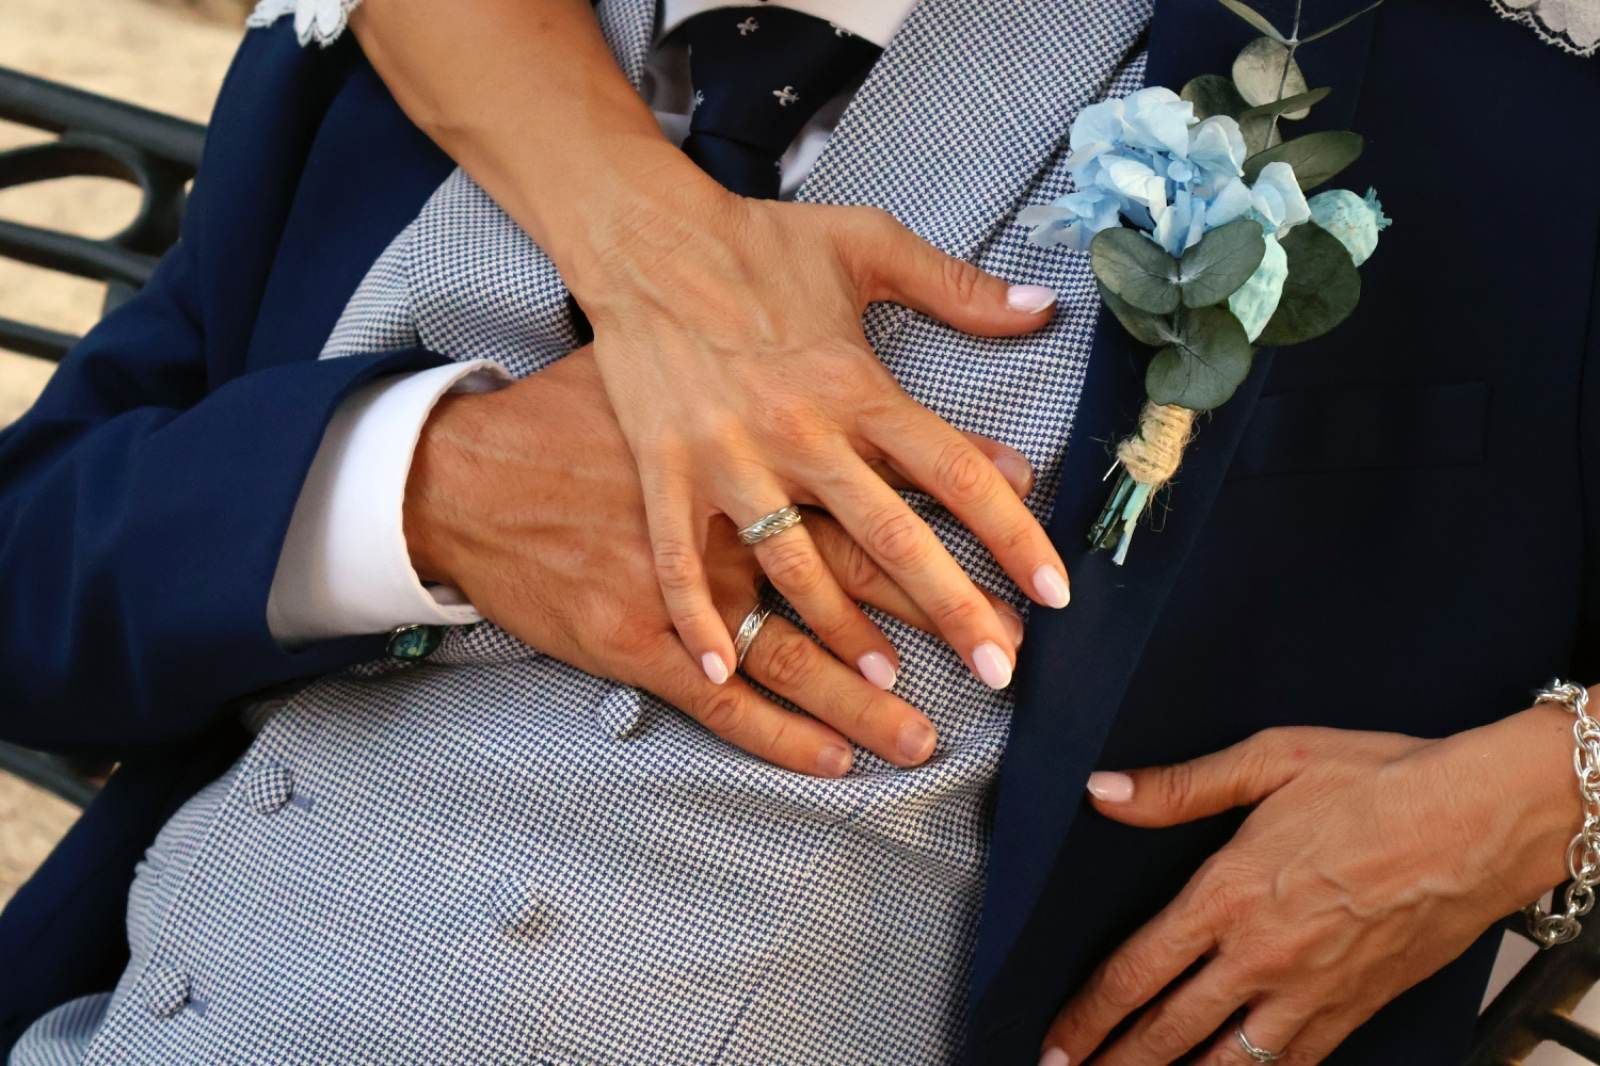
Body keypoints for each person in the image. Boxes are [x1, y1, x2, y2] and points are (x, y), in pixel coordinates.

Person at [1, 0, 1597, 1062]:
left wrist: (1551, 793)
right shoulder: (375, 56)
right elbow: (30, 569)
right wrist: (421, 488)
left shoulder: (1473, 121)